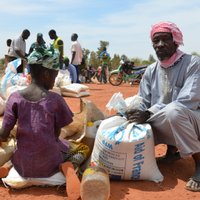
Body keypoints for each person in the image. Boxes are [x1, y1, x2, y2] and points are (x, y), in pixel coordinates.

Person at [0, 47, 89, 194]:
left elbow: (3, 133)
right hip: (50, 164)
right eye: (54, 76)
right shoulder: (55, 99)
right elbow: (56, 134)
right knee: (82, 149)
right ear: (47, 74)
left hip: (24, 164)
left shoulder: (14, 98)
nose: (54, 81)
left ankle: (9, 165)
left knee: (16, 150)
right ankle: (68, 168)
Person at [125, 21, 200, 191]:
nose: (159, 45)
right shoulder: (151, 69)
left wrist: (149, 112)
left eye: (164, 40)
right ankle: (171, 152)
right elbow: (143, 98)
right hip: (168, 118)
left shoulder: (193, 63)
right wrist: (134, 110)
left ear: (175, 41)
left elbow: (187, 101)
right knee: (135, 118)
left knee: (174, 112)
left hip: (194, 120)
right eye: (155, 41)